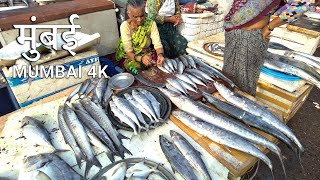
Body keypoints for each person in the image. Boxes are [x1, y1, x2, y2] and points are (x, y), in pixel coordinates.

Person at [223, 0, 310, 96]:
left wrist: (270, 27)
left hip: (249, 37)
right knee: (228, 79)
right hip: (233, 34)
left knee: (243, 84)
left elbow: (302, 5)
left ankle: (241, 108)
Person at [115, 0, 165, 73]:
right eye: (135, 17)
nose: (139, 20)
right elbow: (129, 52)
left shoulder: (151, 24)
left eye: (142, 16)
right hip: (131, 57)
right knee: (136, 70)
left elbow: (158, 44)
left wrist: (160, 55)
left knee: (159, 62)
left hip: (145, 52)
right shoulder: (125, 26)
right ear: (129, 14)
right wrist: (141, 59)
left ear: (144, 12)